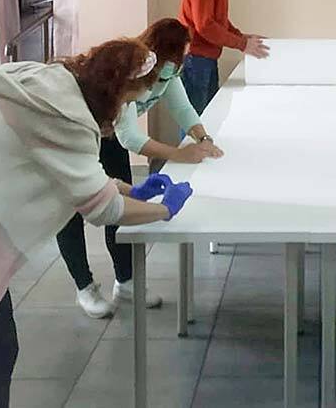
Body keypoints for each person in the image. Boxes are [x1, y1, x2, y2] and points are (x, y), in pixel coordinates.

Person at [0, 39, 194, 408]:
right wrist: (165, 209)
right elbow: (102, 208)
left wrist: (132, 190)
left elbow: (79, 175)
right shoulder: (65, 116)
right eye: (129, 102)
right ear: (114, 93)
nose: (126, 112)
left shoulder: (53, 84)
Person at [56, 19, 224, 319]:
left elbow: (182, 108)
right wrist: (177, 159)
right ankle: (85, 287)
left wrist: (203, 138)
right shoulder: (129, 74)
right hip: (80, 136)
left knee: (118, 202)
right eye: (179, 58)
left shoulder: (166, 73)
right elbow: (130, 138)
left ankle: (126, 281)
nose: (181, 66)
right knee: (71, 210)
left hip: (108, 136)